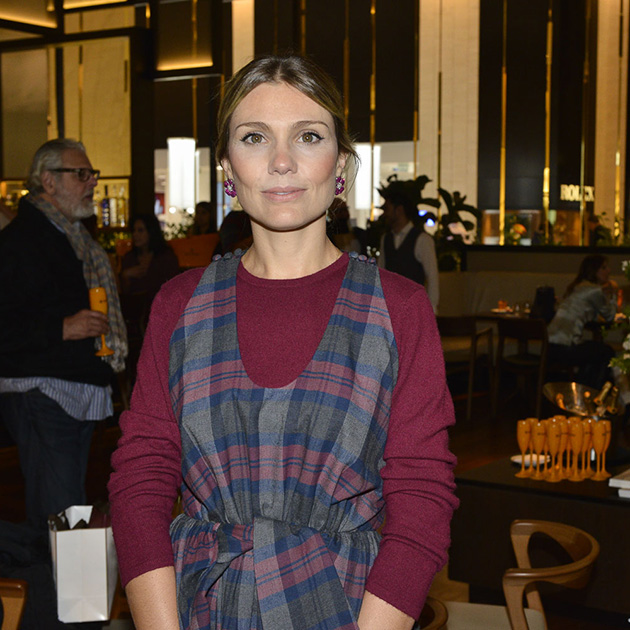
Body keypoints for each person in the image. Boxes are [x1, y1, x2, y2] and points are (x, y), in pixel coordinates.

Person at [108, 54, 457, 630]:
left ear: (340, 163)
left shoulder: (400, 308)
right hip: (200, 607)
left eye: (308, 136)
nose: (281, 160)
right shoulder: (179, 303)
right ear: (227, 167)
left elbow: (421, 497)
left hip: (349, 609)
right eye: (254, 137)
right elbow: (142, 476)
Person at [0, 138, 127, 530]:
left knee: (69, 511)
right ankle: (50, 573)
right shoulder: (21, 240)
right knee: (60, 514)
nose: (92, 182)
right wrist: (62, 327)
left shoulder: (74, 239)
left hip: (76, 387)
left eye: (92, 174)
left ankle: (63, 570)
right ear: (48, 181)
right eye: (81, 174)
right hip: (43, 391)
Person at [547, 254, 617, 389]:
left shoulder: (577, 286)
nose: (608, 271)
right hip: (567, 346)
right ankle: (594, 392)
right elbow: (609, 316)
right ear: (594, 271)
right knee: (607, 352)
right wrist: (612, 294)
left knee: (595, 353)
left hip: (550, 345)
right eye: (604, 268)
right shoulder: (594, 290)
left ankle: (582, 389)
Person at [377, 177, 440, 313]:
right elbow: (381, 275)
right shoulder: (386, 239)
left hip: (414, 310)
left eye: (387, 209)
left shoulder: (422, 239)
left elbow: (432, 277)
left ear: (399, 210)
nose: (385, 214)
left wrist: (431, 312)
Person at [120, 213, 180, 304]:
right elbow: (124, 295)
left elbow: (174, 289)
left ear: (151, 232)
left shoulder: (166, 258)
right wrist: (125, 276)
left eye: (140, 230)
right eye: (134, 231)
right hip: (135, 308)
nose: (135, 234)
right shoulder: (130, 258)